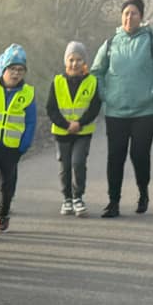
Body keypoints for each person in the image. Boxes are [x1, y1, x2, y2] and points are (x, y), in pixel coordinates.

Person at [89, 0, 153, 218]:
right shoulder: (110, 43)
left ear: (141, 16)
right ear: (121, 17)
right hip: (116, 111)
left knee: (139, 154)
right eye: (126, 13)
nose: (129, 17)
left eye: (134, 13)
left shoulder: (151, 40)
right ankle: (113, 202)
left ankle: (142, 192)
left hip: (145, 111)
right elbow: (96, 71)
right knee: (115, 156)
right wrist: (104, 94)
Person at [0, 45, 38, 233]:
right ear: (3, 69)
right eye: (12, 69)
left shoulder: (27, 93)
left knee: (7, 185)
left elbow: (31, 121)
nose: (16, 74)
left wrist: (24, 144)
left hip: (13, 148)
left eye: (20, 70)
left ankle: (3, 216)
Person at [50, 41, 104, 218]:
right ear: (66, 61)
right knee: (65, 166)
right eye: (71, 59)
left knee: (78, 163)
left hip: (83, 132)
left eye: (79, 60)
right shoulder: (57, 82)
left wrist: (79, 123)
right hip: (61, 132)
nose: (74, 64)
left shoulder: (92, 82)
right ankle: (66, 198)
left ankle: (78, 197)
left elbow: (95, 107)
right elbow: (51, 108)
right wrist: (66, 125)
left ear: (84, 62)